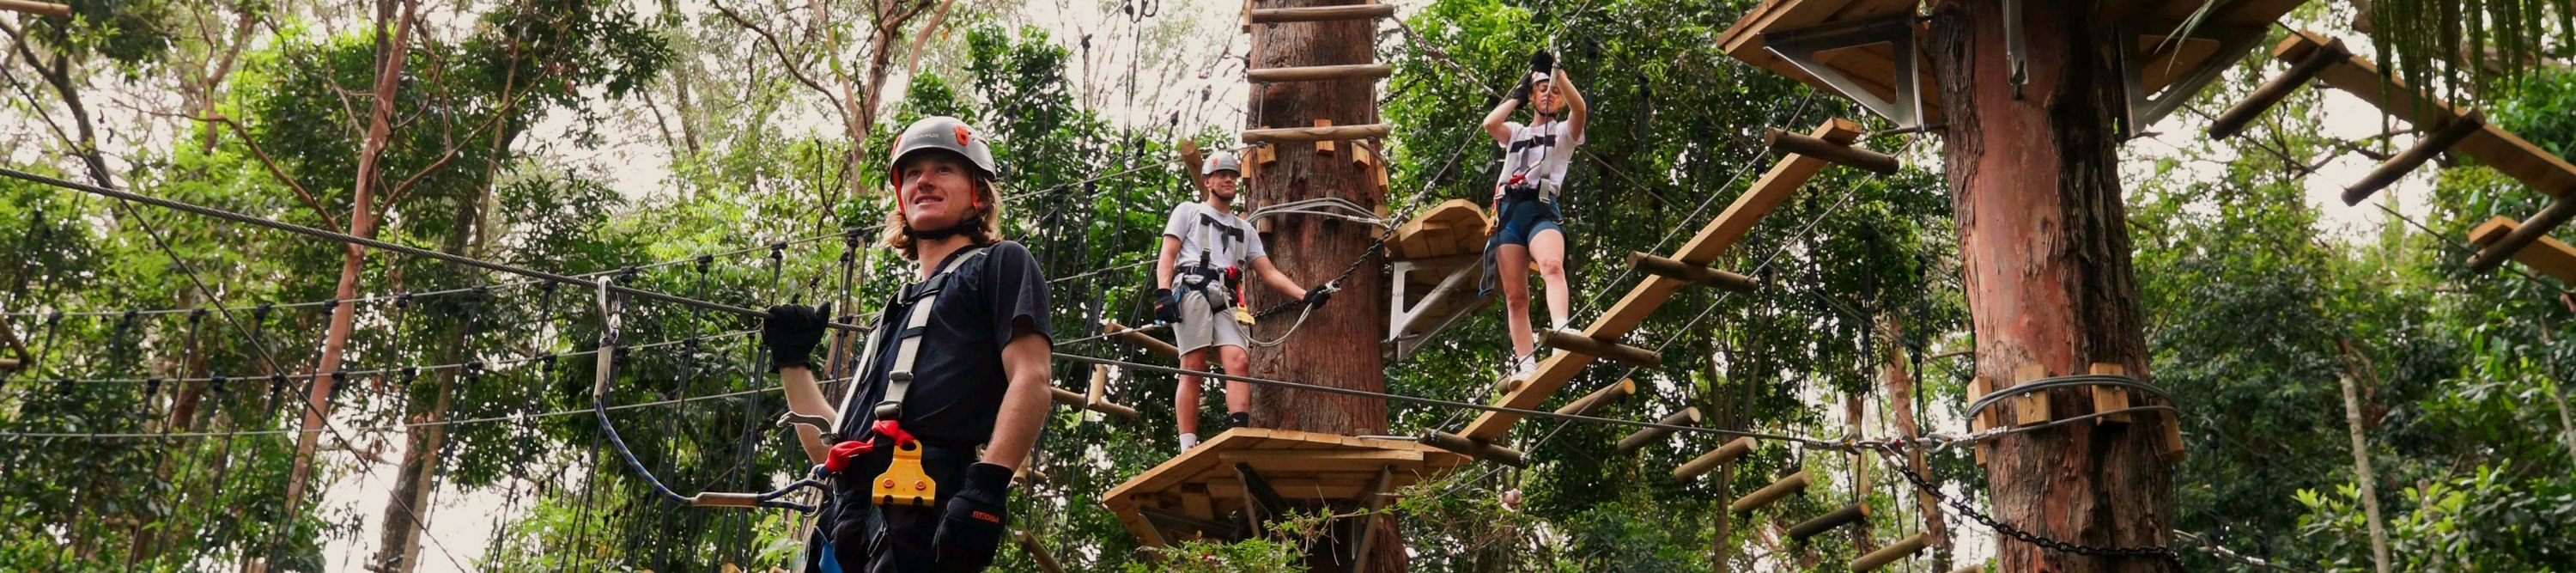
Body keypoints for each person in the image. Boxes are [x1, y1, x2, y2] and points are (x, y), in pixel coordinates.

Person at [767, 116, 1054, 573]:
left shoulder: (999, 264)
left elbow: (1033, 377)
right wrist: (793, 364)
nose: (924, 180)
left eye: (944, 169)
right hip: (847, 519)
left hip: (926, 502)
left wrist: (987, 486)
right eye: (912, 173)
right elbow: (835, 450)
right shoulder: (895, 310)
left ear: (978, 192)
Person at [1153, 149, 1334, 452]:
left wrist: (1306, 295)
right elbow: (1168, 254)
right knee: (1194, 365)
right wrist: (1163, 292)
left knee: (1239, 361)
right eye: (1221, 175)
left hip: (1227, 297)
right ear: (1208, 181)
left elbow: (1268, 272)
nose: (1228, 179)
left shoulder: (1244, 229)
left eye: (1232, 175)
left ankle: (1239, 432)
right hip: (1193, 289)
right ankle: (1187, 444)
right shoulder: (1188, 211)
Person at [1479, 49, 1588, 383]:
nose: (1550, 95)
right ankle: (1526, 364)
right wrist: (1520, 93)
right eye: (1544, 89)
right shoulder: (1516, 133)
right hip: (1509, 215)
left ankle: (1562, 332)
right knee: (1515, 297)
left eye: (1555, 92)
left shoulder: (1566, 133)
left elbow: (1580, 108)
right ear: (1532, 94)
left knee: (1552, 266)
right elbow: (1489, 124)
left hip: (1541, 209)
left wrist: (1558, 74)